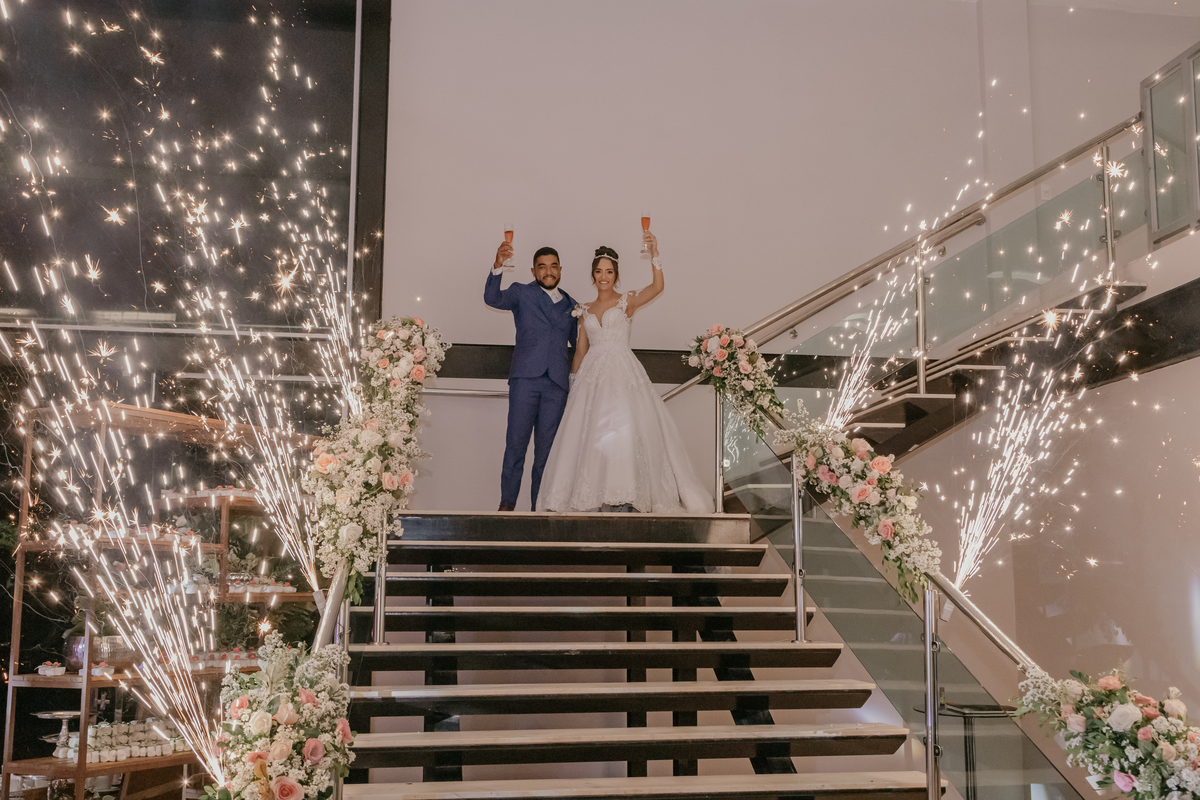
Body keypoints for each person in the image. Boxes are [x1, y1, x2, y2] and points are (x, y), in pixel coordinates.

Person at [536, 233, 712, 513]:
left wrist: (655, 253)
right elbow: (580, 351)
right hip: (592, 376)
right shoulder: (583, 309)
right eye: (598, 271)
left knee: (624, 432)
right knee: (590, 436)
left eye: (609, 272)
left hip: (622, 372)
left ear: (616, 275)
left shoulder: (626, 301)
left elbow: (657, 287)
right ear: (592, 275)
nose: (603, 277)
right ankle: (595, 496)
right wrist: (574, 383)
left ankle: (625, 495)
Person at [485, 242, 578, 511]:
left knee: (547, 453)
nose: (548, 271)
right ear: (533, 271)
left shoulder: (572, 305)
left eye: (553, 266)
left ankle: (540, 509)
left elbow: (579, 346)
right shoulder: (521, 292)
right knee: (515, 445)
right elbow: (492, 299)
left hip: (557, 385)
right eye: (542, 267)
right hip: (525, 380)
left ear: (560, 270)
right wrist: (498, 265)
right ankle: (507, 505)